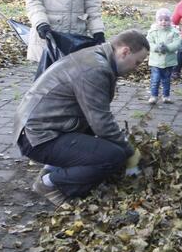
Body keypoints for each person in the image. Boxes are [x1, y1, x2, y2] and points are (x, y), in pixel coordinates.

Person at [14, 29, 149, 206]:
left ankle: (51, 170)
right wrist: (129, 151)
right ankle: (49, 184)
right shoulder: (95, 69)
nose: (136, 69)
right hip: (37, 137)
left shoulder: (97, 57)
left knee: (104, 146)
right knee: (113, 156)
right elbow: (101, 123)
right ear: (125, 52)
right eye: (137, 62)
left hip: (41, 127)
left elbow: (97, 119)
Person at [146, 8, 181, 104]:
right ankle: (153, 96)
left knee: (166, 80)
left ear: (170, 21)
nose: (163, 22)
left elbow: (177, 43)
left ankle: (166, 96)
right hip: (155, 61)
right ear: (156, 21)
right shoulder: (153, 31)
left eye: (166, 20)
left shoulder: (174, 32)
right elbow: (149, 42)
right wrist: (156, 48)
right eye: (160, 20)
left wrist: (168, 47)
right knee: (155, 79)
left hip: (168, 61)